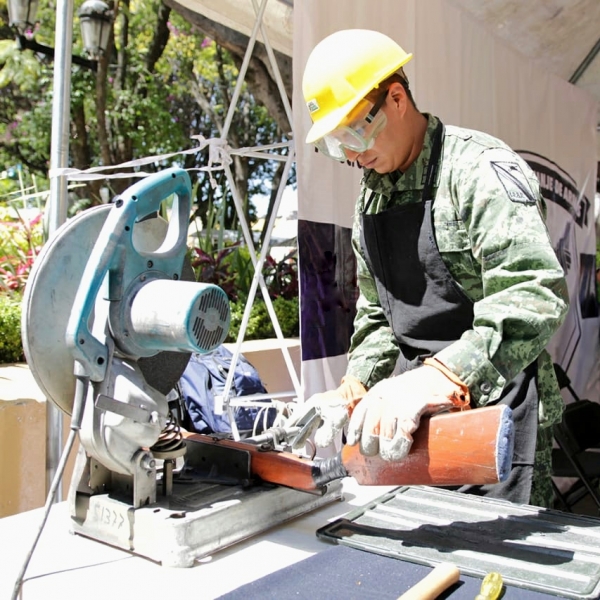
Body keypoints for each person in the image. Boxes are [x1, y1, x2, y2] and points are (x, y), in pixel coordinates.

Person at [293, 29, 569, 507]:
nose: (353, 155)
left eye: (354, 133)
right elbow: (378, 315)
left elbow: (534, 291)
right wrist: (354, 387)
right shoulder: (372, 196)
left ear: (396, 98)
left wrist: (441, 377)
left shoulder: (477, 168)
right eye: (338, 146)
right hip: (413, 419)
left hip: (500, 409)